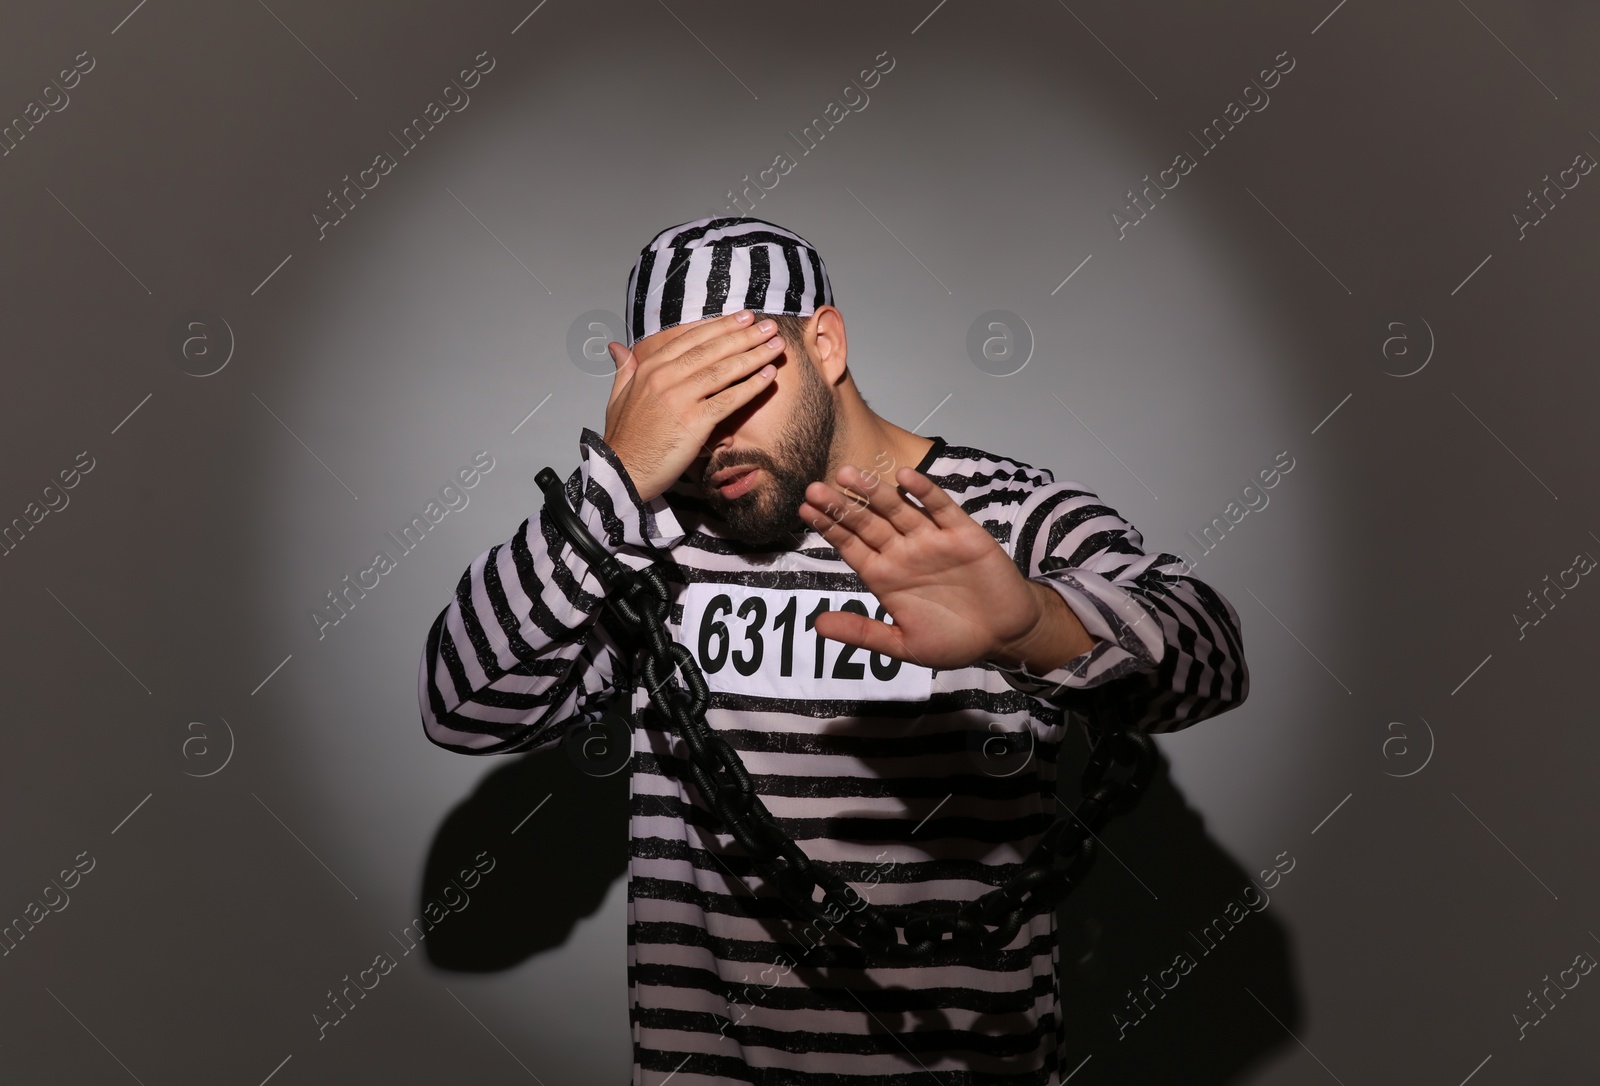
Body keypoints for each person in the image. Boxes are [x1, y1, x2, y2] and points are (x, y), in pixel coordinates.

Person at [417, 216, 1249, 1083]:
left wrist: (1034, 627)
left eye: (734, 387)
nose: (714, 444)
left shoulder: (1000, 518)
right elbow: (464, 707)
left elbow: (1211, 650)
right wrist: (613, 486)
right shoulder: (639, 549)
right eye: (676, 406)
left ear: (824, 342)